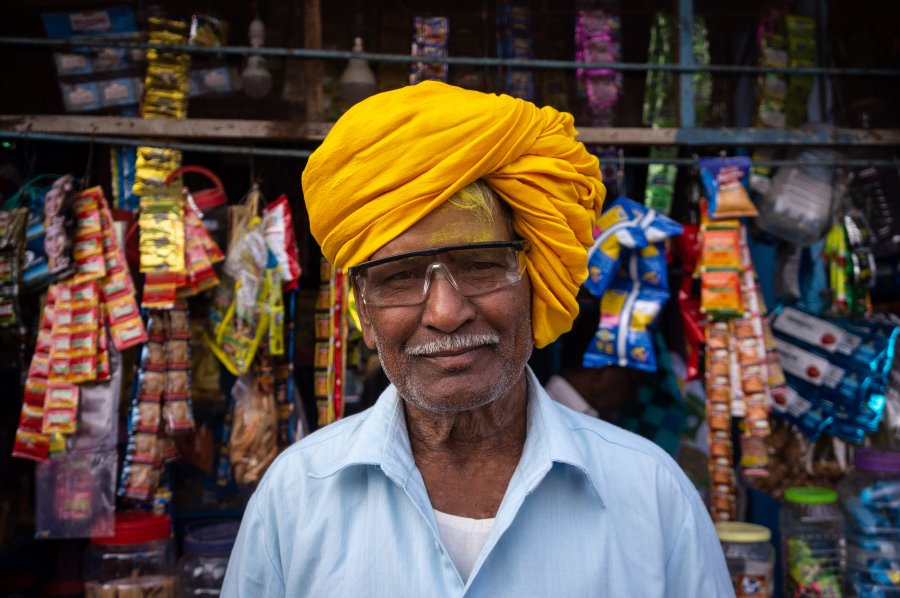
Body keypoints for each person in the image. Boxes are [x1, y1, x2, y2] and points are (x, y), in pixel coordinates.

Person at [222, 82, 733, 597]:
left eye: (482, 266)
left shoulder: (653, 495)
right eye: (401, 277)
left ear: (534, 282)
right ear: (364, 314)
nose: (447, 313)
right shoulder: (294, 499)